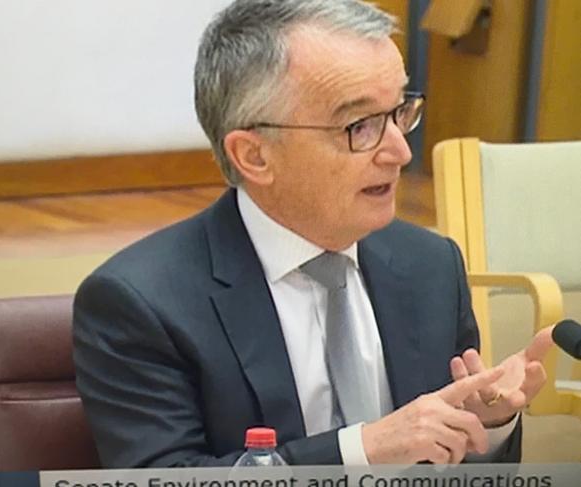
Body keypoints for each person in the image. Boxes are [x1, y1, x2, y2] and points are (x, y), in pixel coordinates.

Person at [73, 0, 553, 467]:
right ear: (254, 156)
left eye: (399, 113)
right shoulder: (141, 302)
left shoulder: (430, 266)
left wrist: (486, 426)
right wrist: (362, 449)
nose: (399, 152)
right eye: (359, 125)